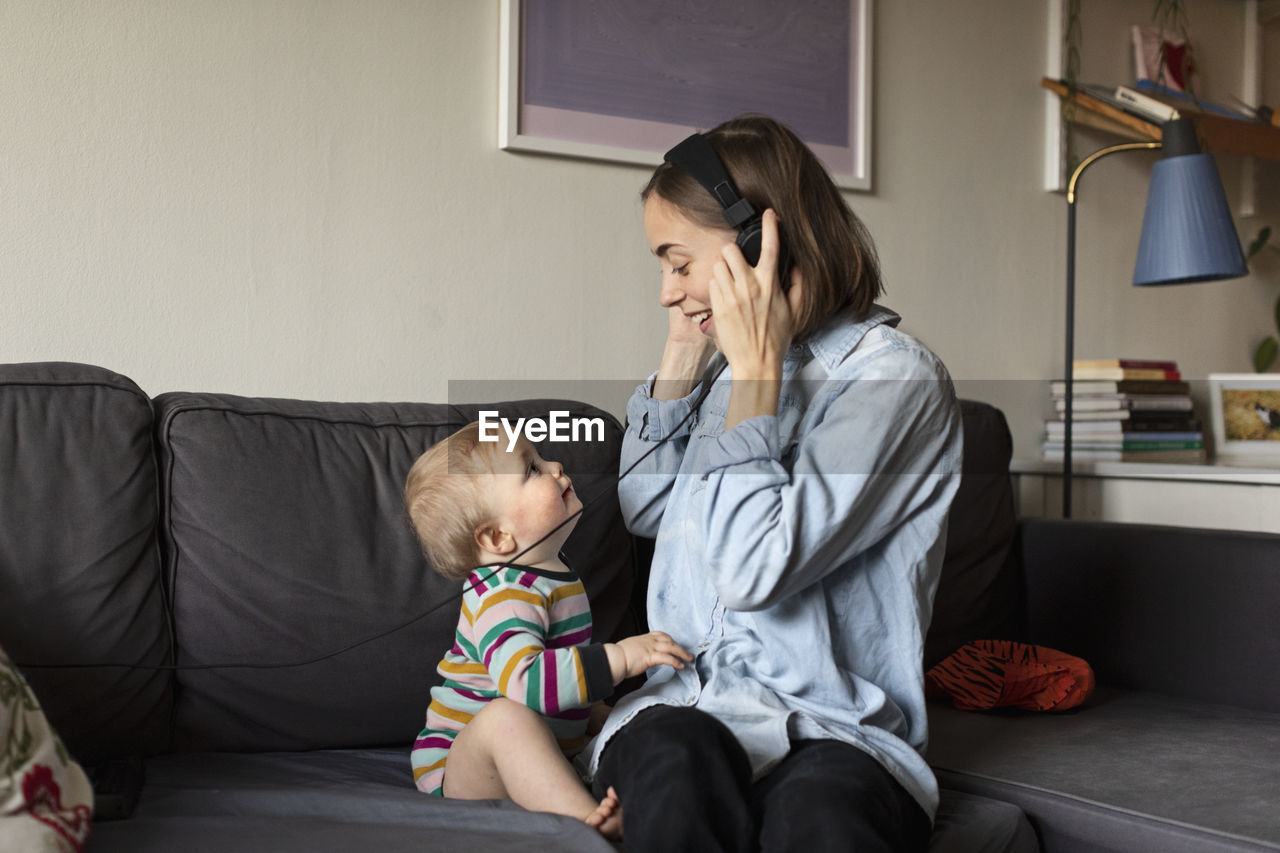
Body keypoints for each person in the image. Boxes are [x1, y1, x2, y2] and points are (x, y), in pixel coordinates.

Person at [583, 114, 964, 852]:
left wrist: (758, 375)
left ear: (761, 243)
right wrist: (689, 349)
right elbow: (645, 503)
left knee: (822, 814)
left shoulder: (890, 380)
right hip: (682, 708)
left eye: (677, 260)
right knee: (678, 759)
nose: (665, 289)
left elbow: (755, 571)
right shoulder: (730, 370)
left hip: (833, 726)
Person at [403, 422, 692, 841]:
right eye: (533, 470)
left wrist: (601, 716)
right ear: (498, 537)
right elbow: (526, 682)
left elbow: (559, 681)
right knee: (505, 717)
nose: (555, 465)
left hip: (532, 752)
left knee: (617, 718)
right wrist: (623, 658)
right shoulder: (503, 596)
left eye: (540, 457)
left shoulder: (550, 576)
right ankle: (589, 819)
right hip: (461, 766)